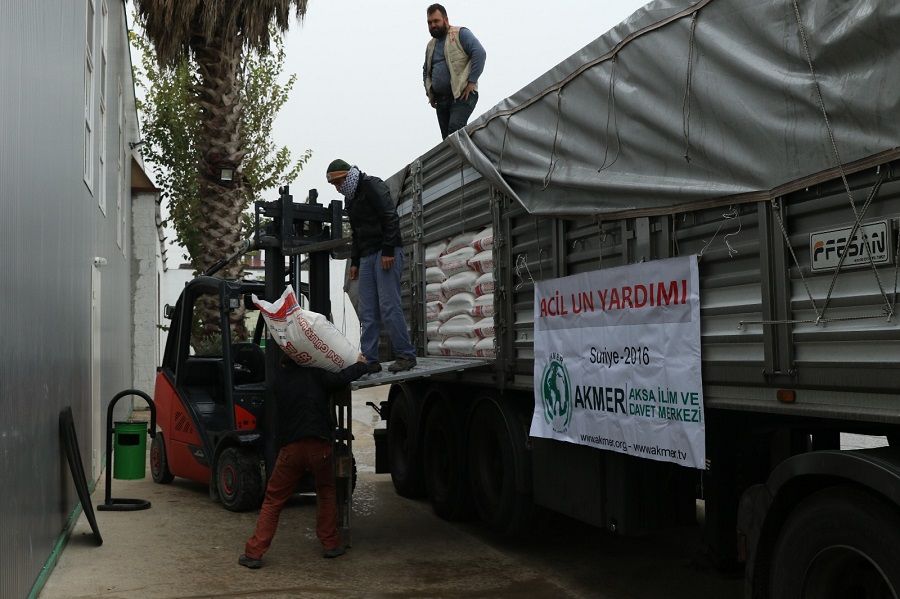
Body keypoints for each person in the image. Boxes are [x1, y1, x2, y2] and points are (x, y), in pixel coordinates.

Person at [239, 351, 368, 568]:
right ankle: (330, 544)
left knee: (273, 500)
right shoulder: (318, 375)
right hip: (320, 447)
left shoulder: (279, 381)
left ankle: (254, 553)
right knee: (326, 491)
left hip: (291, 450)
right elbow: (341, 379)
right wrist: (362, 365)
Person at [326, 159, 418, 374]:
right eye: (334, 185)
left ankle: (406, 355)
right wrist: (355, 262)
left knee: (389, 306)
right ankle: (369, 359)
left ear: (347, 176)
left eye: (338, 182)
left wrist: (388, 250)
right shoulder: (351, 199)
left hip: (386, 251)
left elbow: (390, 217)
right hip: (367, 255)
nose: (337, 188)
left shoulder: (371, 185)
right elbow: (357, 233)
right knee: (368, 311)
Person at [423, 3, 486, 139]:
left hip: (462, 95)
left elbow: (479, 54)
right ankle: (461, 160)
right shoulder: (430, 46)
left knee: (454, 131)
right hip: (442, 101)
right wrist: (430, 93)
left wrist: (471, 82)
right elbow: (426, 71)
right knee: (448, 141)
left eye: (436, 21)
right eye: (429, 22)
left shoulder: (460, 34)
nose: (433, 25)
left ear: (445, 20)